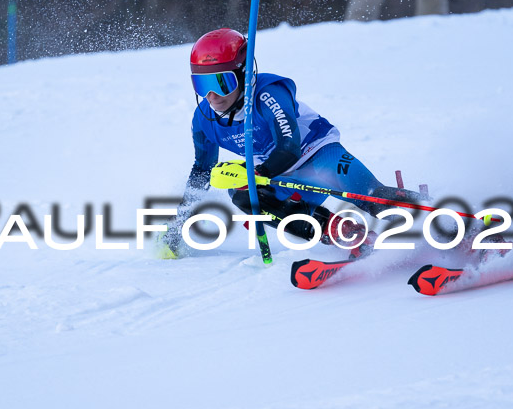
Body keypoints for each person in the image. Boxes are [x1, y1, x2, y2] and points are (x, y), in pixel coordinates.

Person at [156, 28, 421, 259]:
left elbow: (289, 146)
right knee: (240, 192)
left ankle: (441, 219)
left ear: (244, 72)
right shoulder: (203, 119)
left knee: (372, 199)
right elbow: (202, 170)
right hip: (280, 177)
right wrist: (180, 221)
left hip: (316, 154)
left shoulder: (269, 93)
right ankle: (341, 232)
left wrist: (258, 173)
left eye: (222, 82)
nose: (212, 95)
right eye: (201, 84)